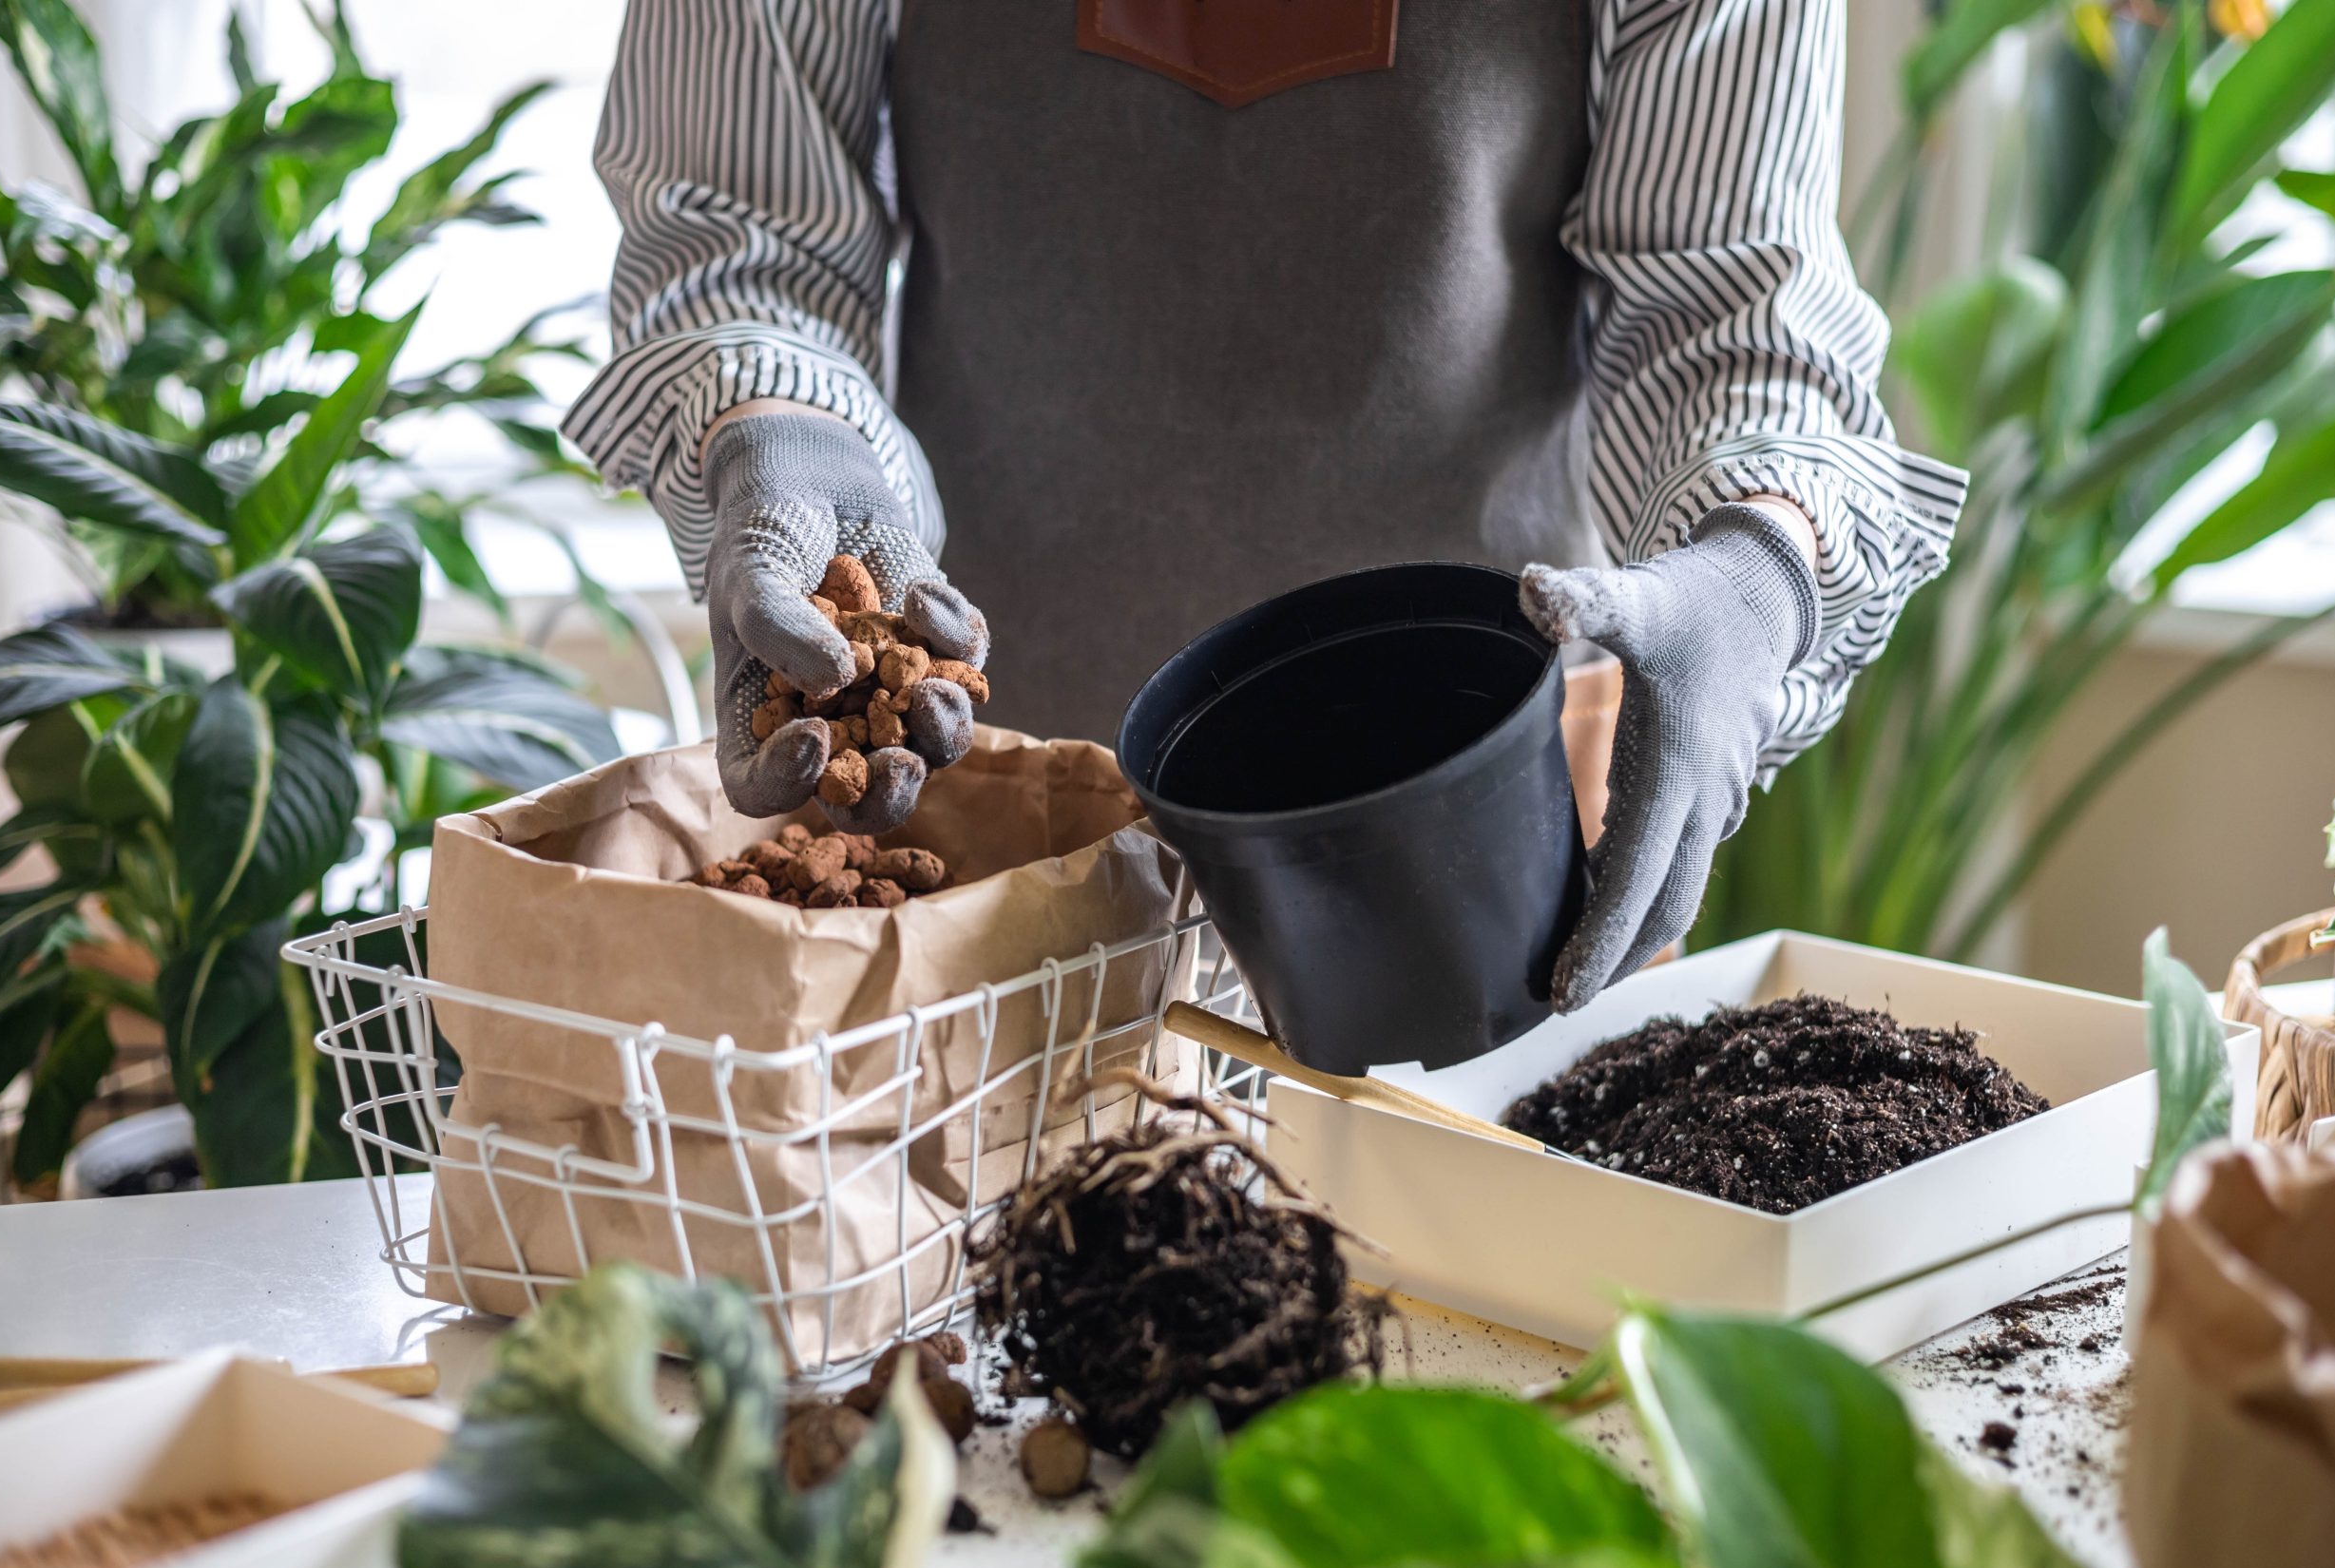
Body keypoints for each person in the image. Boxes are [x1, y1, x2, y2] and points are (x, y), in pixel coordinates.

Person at [565, 0, 1965, 1008]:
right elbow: (739, 226)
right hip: (976, 818)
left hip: (1484, 831)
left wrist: (1761, 561)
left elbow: (1728, 297)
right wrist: (773, 429)